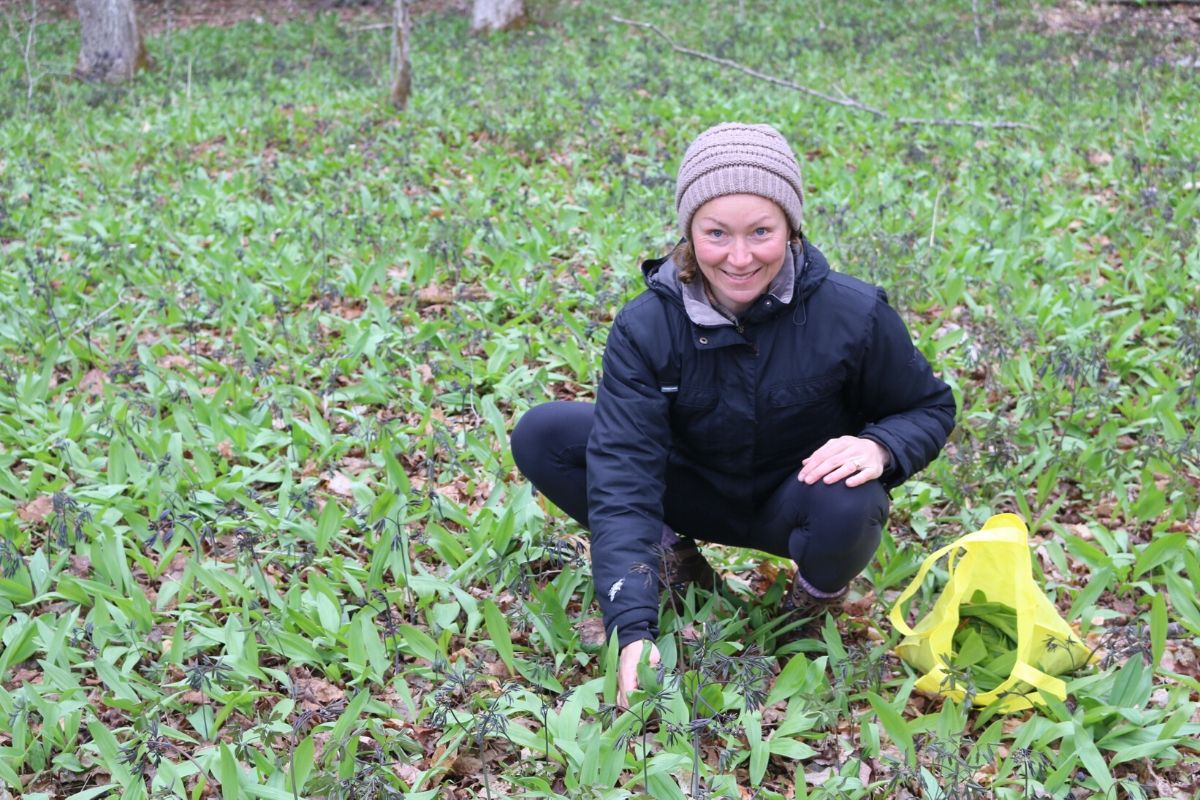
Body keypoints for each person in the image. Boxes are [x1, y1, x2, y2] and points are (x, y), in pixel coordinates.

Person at [510, 123, 956, 706]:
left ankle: (808, 610)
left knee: (854, 495)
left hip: (795, 501)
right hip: (691, 487)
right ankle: (675, 565)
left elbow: (927, 405)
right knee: (546, 434)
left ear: (791, 229)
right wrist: (633, 629)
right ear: (689, 233)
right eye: (716, 233)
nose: (739, 257)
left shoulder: (854, 313)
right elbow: (624, 475)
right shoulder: (646, 326)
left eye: (761, 232)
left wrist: (880, 447)